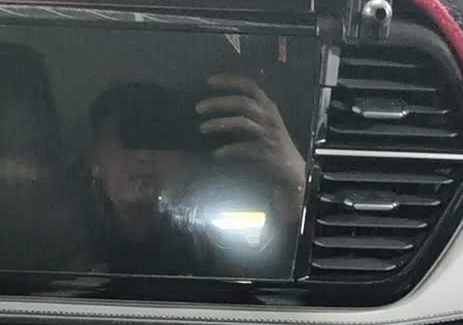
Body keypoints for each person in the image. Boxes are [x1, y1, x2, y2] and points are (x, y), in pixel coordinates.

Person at [86, 76, 307, 277]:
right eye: (130, 137)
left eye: (158, 137)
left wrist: (297, 185)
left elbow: (277, 289)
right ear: (95, 159)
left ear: (184, 156)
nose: (145, 154)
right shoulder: (73, 251)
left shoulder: (221, 242)